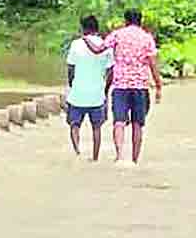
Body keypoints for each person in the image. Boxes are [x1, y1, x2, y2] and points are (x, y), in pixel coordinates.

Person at [91, 9, 162, 165]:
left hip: (120, 85)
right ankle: (135, 159)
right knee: (138, 123)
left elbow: (99, 49)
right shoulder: (147, 38)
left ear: (126, 20)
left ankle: (119, 156)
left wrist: (85, 39)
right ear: (140, 21)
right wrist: (158, 86)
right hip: (140, 85)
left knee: (119, 121)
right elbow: (152, 64)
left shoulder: (117, 35)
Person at [65, 15, 113, 161]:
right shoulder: (106, 46)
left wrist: (71, 83)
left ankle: (77, 153)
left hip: (77, 93)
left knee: (74, 125)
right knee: (97, 127)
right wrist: (106, 88)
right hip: (97, 94)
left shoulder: (76, 44)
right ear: (97, 28)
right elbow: (111, 70)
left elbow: (70, 67)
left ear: (83, 28)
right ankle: (95, 157)